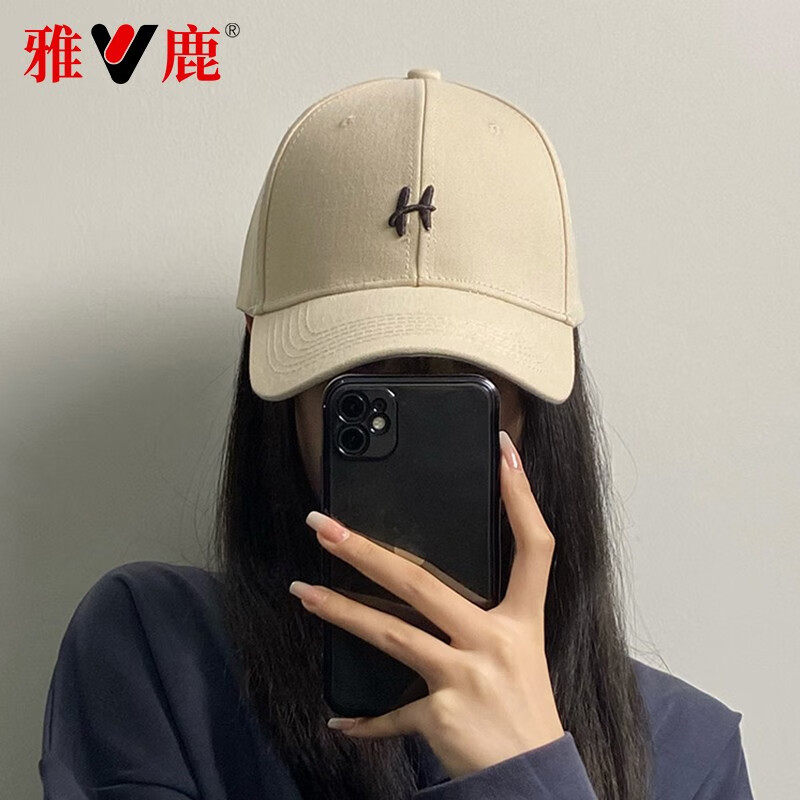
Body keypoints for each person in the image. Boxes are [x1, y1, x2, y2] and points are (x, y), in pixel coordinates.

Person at [39, 68, 754, 799]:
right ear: (271, 383)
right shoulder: (158, 652)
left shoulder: (691, 752)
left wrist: (527, 769)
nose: (415, 449)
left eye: (463, 388)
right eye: (363, 389)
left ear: (542, 408)